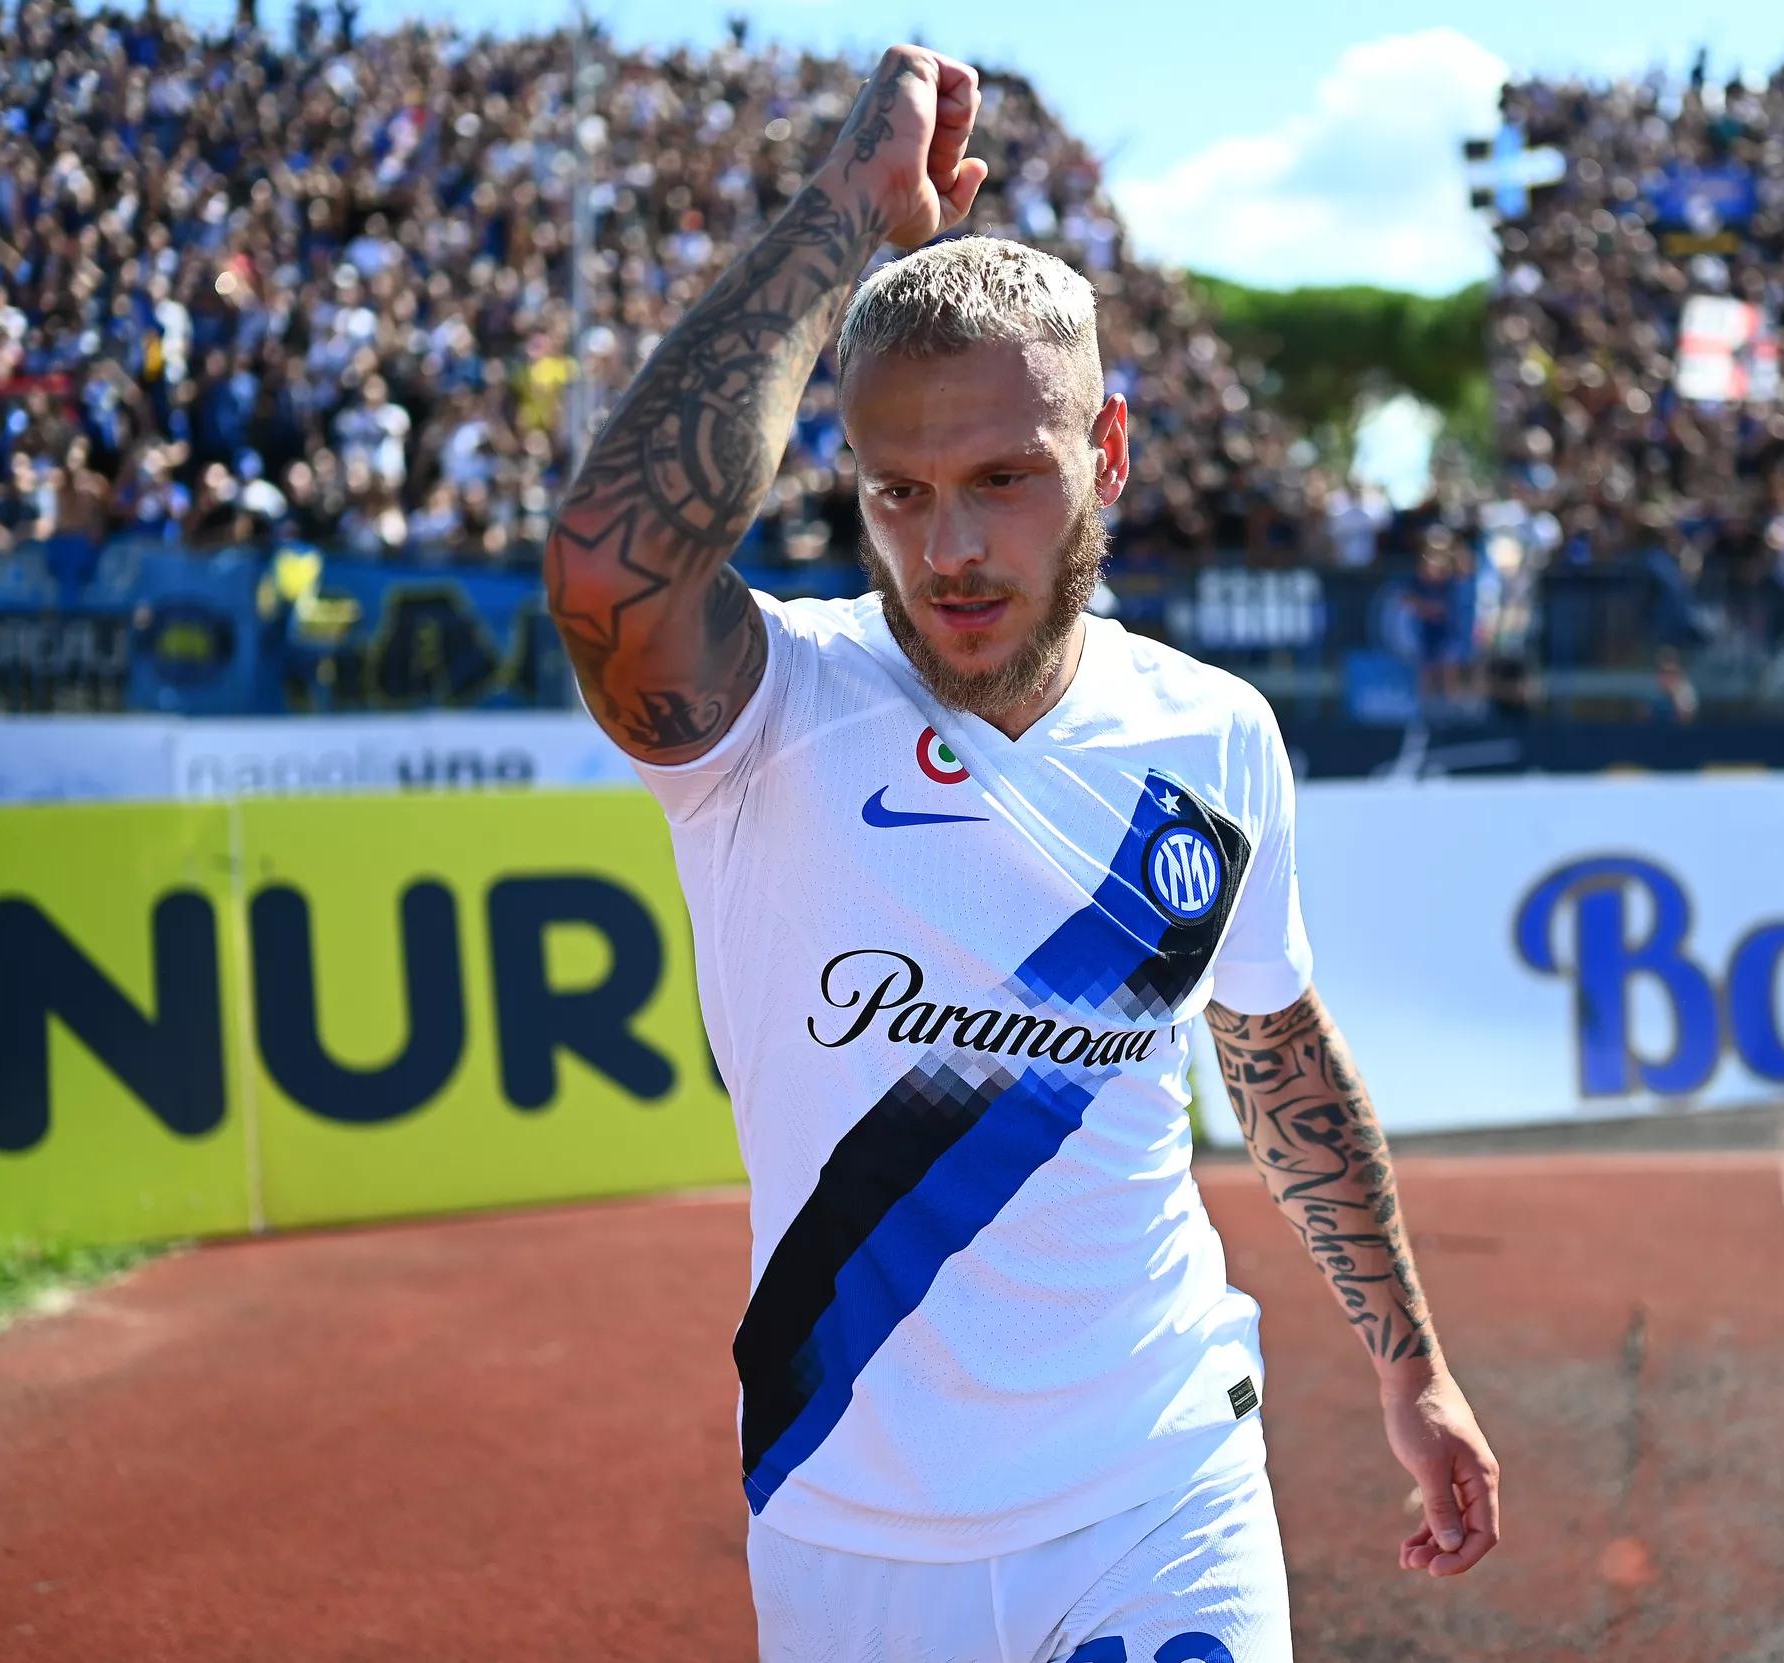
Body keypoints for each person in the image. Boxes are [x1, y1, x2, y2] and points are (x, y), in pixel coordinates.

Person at [543, 43, 1501, 1662]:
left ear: (1108, 453)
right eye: (901, 493)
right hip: (852, 1529)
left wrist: (1412, 1364)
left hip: (1160, 1489)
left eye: (1005, 479)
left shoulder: (1214, 734)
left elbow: (1272, 1048)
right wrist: (838, 222)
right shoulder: (773, 716)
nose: (953, 548)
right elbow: (604, 569)